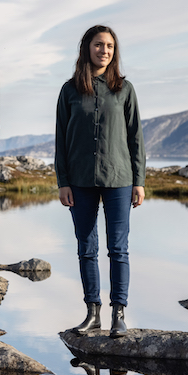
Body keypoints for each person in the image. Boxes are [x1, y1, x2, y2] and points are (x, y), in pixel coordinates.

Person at [55, 25, 145, 338]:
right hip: (79, 180)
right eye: (98, 45)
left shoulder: (125, 89)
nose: (104, 50)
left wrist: (139, 180)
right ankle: (92, 313)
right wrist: (62, 181)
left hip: (120, 179)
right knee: (86, 248)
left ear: (114, 51)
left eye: (109, 46)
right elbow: (60, 139)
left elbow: (135, 137)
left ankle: (118, 313)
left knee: (118, 249)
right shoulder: (69, 90)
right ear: (87, 49)